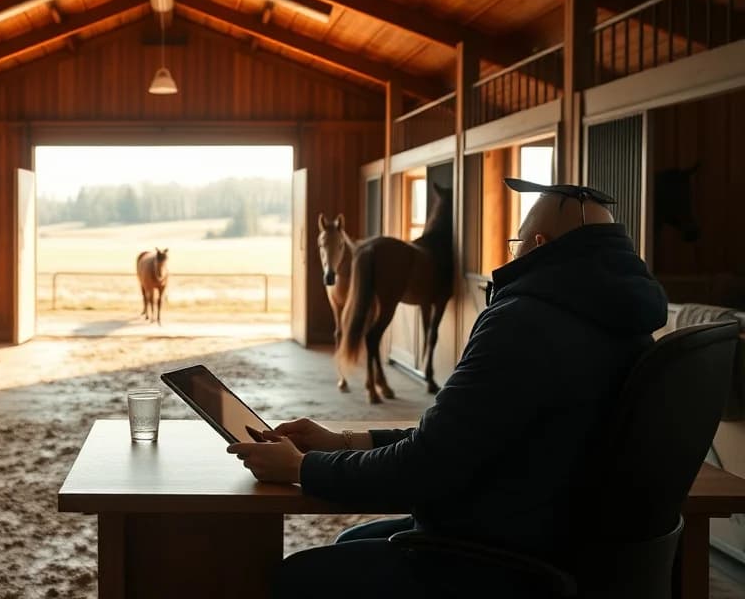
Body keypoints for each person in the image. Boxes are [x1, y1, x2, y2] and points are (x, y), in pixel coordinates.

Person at [227, 180, 669, 598]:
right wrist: (343, 441)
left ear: (539, 246)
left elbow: (425, 466)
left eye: (516, 244)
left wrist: (302, 469)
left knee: (295, 579)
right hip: (555, 532)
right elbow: (462, 434)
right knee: (352, 539)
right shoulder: (627, 323)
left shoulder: (523, 321)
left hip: (500, 554)